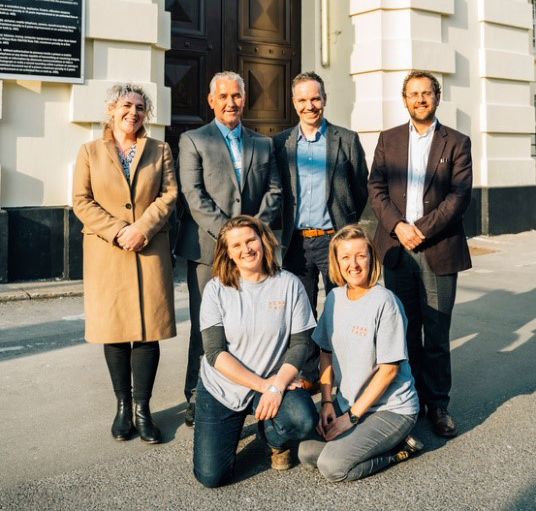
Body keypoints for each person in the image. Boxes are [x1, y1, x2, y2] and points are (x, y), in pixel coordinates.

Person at [368, 70, 473, 438]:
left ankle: (438, 404)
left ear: (437, 98)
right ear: (405, 100)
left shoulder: (457, 142)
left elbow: (459, 196)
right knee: (405, 330)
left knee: (437, 334)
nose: (420, 99)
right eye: (413, 94)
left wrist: (422, 229)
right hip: (397, 249)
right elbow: (376, 187)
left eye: (426, 93)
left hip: (438, 248)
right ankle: (408, 402)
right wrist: (398, 226)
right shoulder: (389, 139)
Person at [73, 83, 178, 444]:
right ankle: (123, 408)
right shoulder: (89, 151)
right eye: (126, 106)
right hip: (107, 252)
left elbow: (169, 194)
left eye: (140, 107)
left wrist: (142, 229)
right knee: (114, 331)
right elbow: (81, 200)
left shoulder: (160, 149)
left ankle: (143, 410)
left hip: (149, 249)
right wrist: (119, 231)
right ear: (111, 110)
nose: (133, 112)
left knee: (148, 331)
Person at [175, 71, 282, 426]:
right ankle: (197, 393)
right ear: (211, 101)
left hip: (254, 252)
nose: (230, 102)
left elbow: (274, 191)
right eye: (223, 96)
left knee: (253, 323)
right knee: (206, 326)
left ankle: (249, 388)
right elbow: (193, 194)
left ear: (244, 98)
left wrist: (252, 236)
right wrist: (232, 237)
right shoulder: (193, 140)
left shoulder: (263, 144)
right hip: (209, 250)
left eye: (236, 96)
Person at [193, 215, 318, 488]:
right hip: (224, 386)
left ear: (263, 241)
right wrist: (265, 387)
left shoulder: (289, 284)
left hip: (272, 380)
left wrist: (278, 386)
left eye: (251, 240)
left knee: (304, 419)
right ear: (227, 253)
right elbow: (214, 353)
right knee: (211, 477)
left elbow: (299, 344)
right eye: (236, 245)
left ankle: (272, 436)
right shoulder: (215, 290)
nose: (246, 249)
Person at [298, 225, 422, 482]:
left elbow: (389, 371)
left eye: (360, 256)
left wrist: (351, 418)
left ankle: (397, 450)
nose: (353, 264)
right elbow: (325, 353)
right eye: (345, 257)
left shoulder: (385, 302)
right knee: (305, 453)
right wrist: (327, 402)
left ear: (371, 258)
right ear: (336, 261)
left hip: (391, 408)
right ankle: (358, 442)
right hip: (349, 403)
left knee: (332, 467)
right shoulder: (334, 298)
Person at [274, 71, 369, 393]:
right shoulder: (281, 143)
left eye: (315, 98)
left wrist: (348, 227)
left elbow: (360, 189)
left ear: (324, 100)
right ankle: (311, 373)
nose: (310, 105)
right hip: (296, 243)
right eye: (302, 100)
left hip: (334, 240)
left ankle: (346, 372)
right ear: (294, 103)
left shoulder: (347, 139)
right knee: (301, 312)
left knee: (343, 307)